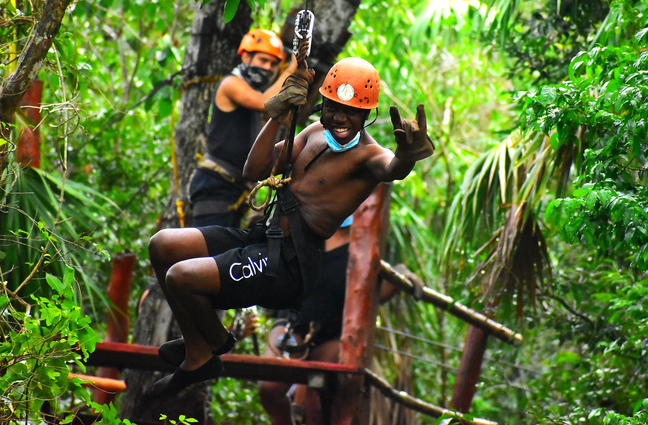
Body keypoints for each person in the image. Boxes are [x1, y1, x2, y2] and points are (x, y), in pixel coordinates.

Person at [147, 48, 434, 397]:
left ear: (367, 115)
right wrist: (277, 114)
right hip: (261, 237)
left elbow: (393, 169)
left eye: (353, 112)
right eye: (334, 108)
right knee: (162, 246)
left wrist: (406, 156)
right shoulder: (313, 131)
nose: (341, 118)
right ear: (322, 106)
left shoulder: (370, 156)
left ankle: (216, 341)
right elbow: (254, 170)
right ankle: (199, 350)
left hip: (290, 262)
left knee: (181, 278)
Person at [257, 218, 423, 425]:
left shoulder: (363, 250)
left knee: (336, 389)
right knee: (269, 389)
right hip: (292, 326)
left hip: (333, 335)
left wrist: (402, 274)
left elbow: (376, 295)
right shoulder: (305, 232)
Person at [188, 28, 297, 228]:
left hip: (233, 187)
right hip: (215, 183)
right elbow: (264, 102)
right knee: (209, 250)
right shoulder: (231, 84)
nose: (268, 68)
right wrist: (291, 71)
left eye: (273, 64)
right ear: (246, 56)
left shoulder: (251, 91)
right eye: (263, 61)